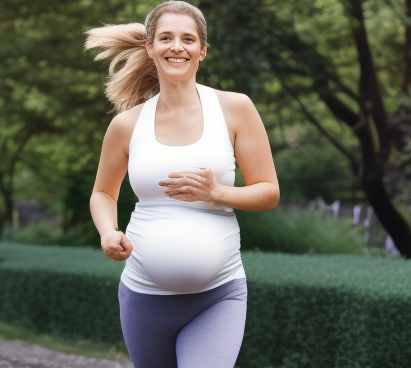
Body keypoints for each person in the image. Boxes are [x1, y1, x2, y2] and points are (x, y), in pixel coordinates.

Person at [86, 1, 279, 367]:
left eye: (188, 38)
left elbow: (269, 191)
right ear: (150, 47)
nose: (177, 46)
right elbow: (103, 192)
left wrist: (216, 192)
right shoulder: (127, 125)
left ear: (202, 51)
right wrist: (108, 233)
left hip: (218, 295)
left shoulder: (235, 109)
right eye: (166, 37)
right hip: (144, 295)